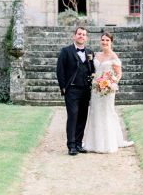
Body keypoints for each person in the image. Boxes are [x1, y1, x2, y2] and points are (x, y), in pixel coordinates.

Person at [82, 32, 134, 153]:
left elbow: (118, 74)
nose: (104, 42)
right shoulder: (97, 55)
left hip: (108, 90)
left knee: (107, 112)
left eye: (107, 40)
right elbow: (94, 70)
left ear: (111, 42)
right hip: (95, 89)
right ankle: (94, 142)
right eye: (103, 40)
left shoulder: (113, 57)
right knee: (95, 112)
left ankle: (107, 143)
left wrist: (111, 83)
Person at [56, 26, 95, 156]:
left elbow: (93, 70)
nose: (81, 36)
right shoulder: (66, 51)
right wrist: (63, 87)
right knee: (73, 116)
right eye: (79, 34)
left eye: (84, 34)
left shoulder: (90, 52)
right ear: (74, 36)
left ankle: (78, 144)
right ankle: (71, 145)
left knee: (83, 117)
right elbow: (60, 70)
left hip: (86, 90)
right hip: (71, 90)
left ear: (86, 37)